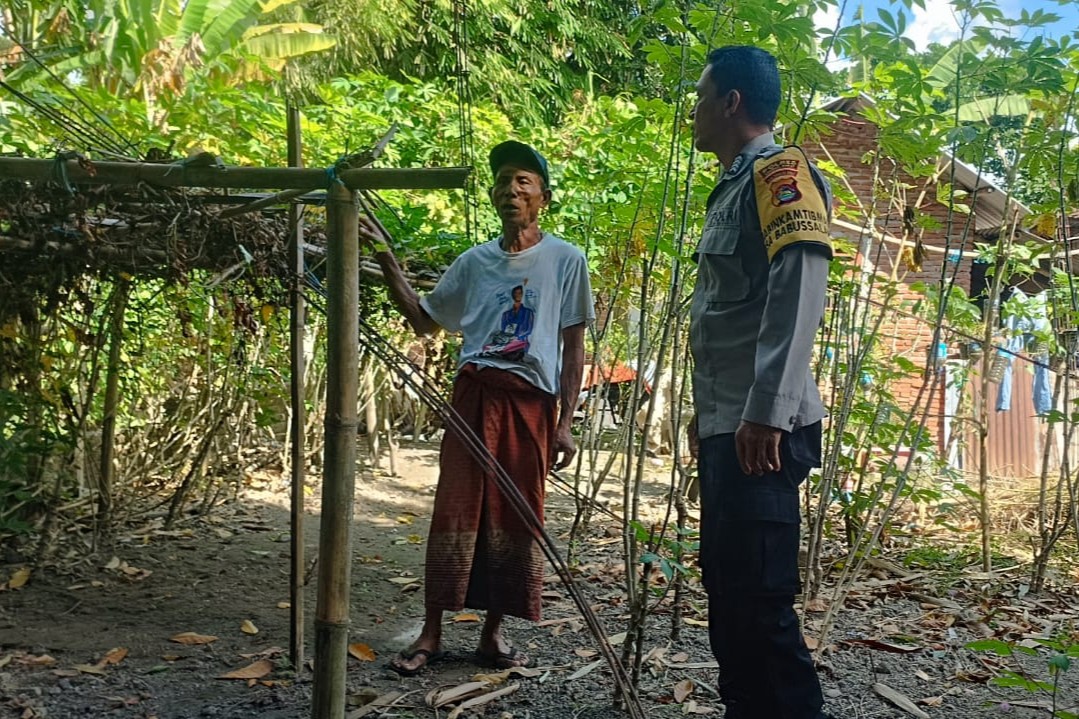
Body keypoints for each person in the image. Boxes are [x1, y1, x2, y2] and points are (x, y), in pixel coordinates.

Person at [357, 140, 594, 676]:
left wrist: (565, 424)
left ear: (544, 198)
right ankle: (431, 631)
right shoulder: (475, 262)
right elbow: (426, 320)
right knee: (455, 510)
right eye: (503, 181)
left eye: (523, 182)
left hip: (530, 404)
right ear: (492, 195)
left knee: (517, 514)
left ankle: (492, 632)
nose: (511, 190)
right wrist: (386, 259)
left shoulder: (566, 260)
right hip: (473, 398)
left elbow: (574, 345)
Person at [687, 46, 838, 719]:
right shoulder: (731, 184)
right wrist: (711, 418)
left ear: (730, 103)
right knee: (728, 598)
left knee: (762, 608)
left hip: (761, 431)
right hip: (731, 425)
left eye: (700, 96)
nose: (691, 111)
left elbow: (798, 283)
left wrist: (766, 412)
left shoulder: (780, 170)